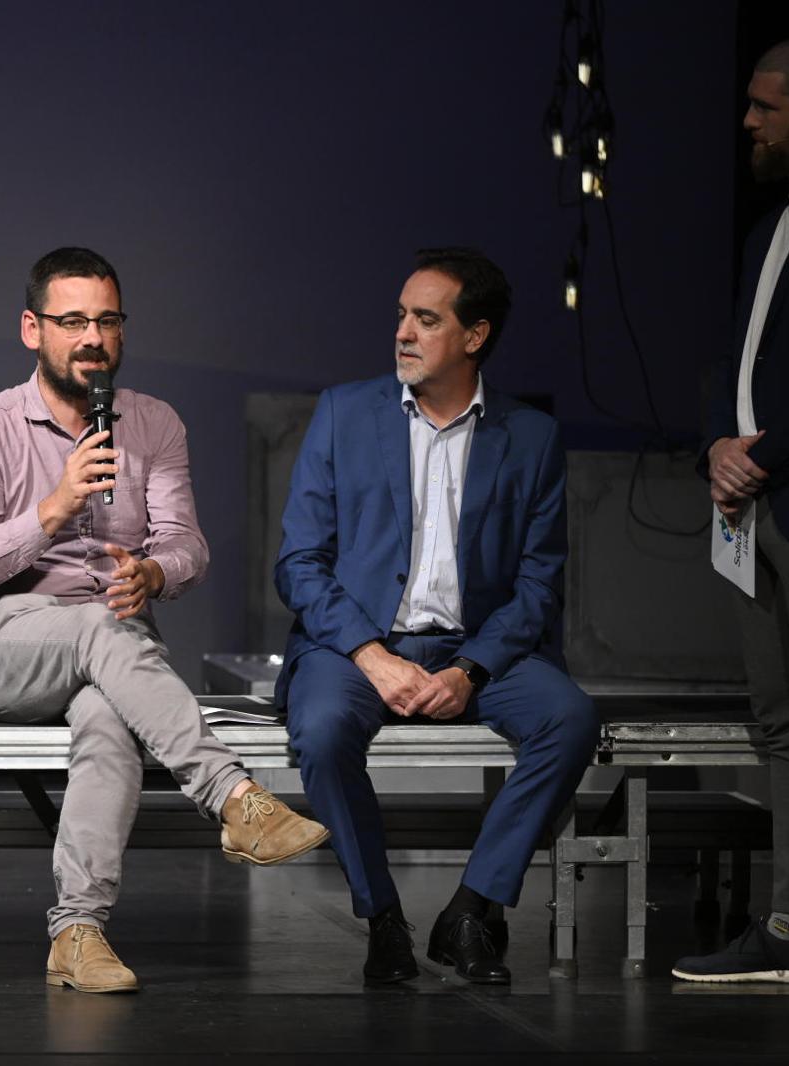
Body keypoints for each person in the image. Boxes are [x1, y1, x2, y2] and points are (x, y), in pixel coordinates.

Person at [0, 246, 329, 994]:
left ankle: (76, 934)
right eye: (74, 320)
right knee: (91, 629)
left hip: (119, 654)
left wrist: (154, 572)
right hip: (8, 646)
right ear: (33, 329)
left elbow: (186, 543)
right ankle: (232, 796)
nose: (93, 337)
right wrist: (51, 511)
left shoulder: (153, 423)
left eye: (108, 320)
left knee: (108, 720)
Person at [275, 248, 598, 986]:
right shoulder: (342, 413)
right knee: (322, 731)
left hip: (478, 648)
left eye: (426, 319)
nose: (403, 333)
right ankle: (382, 917)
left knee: (570, 720)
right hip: (356, 643)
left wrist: (469, 668)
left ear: (475, 336)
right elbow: (298, 562)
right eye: (400, 316)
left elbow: (539, 581)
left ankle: (470, 908)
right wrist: (369, 654)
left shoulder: (531, 437)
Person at [674, 35, 789, 1002]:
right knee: (781, 728)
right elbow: (736, 367)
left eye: (764, 106)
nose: (747, 121)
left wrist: (761, 454)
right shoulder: (768, 228)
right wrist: (716, 448)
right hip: (750, 511)